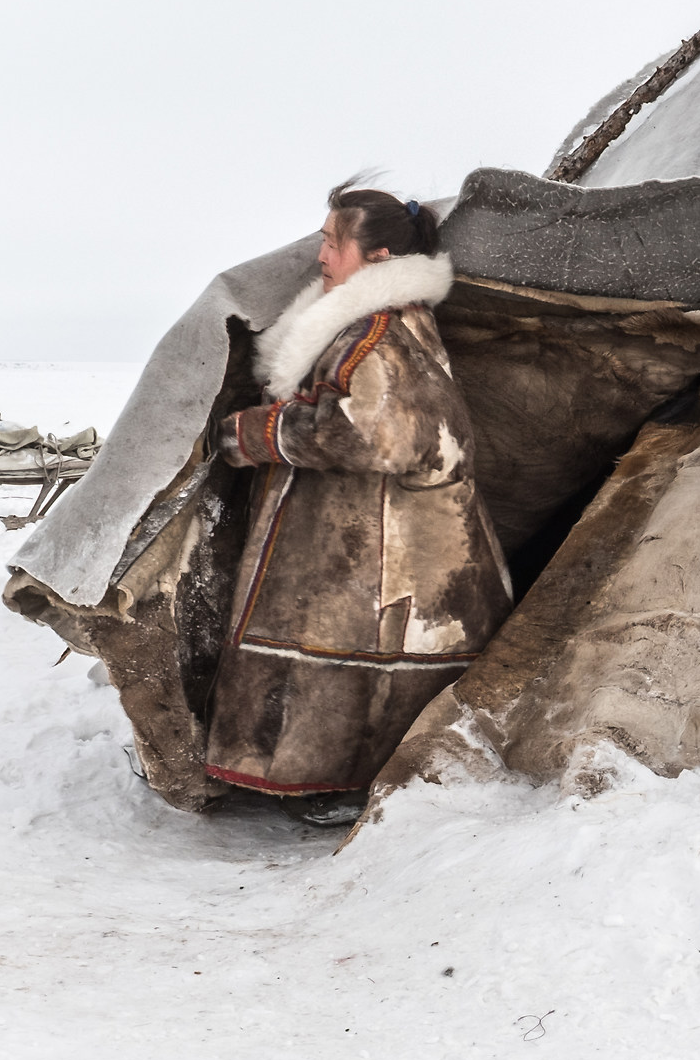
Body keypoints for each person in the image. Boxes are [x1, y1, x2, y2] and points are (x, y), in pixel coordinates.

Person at [206, 181, 515, 826]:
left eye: (331, 241)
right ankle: (322, 777)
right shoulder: (376, 323)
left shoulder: (381, 330)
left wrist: (256, 434)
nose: (320, 255)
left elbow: (378, 432)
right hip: (364, 533)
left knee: (367, 656)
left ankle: (351, 781)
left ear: (374, 257)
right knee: (343, 648)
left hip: (390, 546)